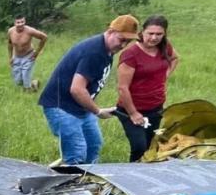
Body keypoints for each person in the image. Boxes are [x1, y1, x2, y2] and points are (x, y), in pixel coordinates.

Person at [38, 15, 140, 165]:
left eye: (128, 41)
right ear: (110, 31)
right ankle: (72, 178)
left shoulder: (107, 50)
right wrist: (98, 111)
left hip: (80, 107)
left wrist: (94, 109)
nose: (123, 45)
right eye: (121, 39)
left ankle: (89, 177)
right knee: (77, 152)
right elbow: (77, 89)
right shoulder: (94, 52)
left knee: (94, 144)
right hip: (61, 106)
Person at [116, 15, 180, 162]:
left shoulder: (165, 47)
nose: (154, 38)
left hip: (156, 107)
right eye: (150, 33)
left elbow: (175, 58)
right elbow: (122, 88)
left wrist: (164, 76)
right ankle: (133, 174)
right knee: (139, 147)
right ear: (142, 32)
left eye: (159, 34)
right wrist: (133, 113)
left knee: (151, 146)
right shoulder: (130, 54)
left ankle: (148, 174)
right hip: (131, 109)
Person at [7, 14, 48, 91]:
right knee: (18, 82)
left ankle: (28, 90)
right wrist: (10, 57)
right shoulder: (10, 31)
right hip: (16, 57)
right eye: (18, 22)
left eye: (22, 22)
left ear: (25, 22)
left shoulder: (30, 31)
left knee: (26, 81)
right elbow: (9, 44)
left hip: (28, 56)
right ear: (14, 23)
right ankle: (34, 83)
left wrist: (37, 52)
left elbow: (44, 37)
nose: (20, 24)